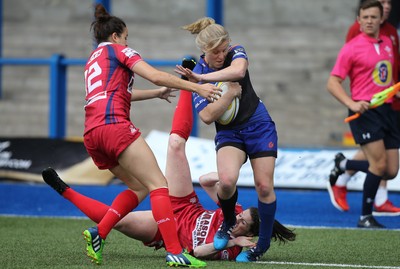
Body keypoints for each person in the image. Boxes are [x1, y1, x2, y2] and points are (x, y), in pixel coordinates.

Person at [42, 89, 295, 261]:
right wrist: (225, 179)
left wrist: (230, 242)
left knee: (117, 221)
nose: (236, 219)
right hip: (184, 204)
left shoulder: (235, 247)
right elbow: (207, 181)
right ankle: (186, 85)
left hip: (165, 232)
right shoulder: (232, 212)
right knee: (175, 143)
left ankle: (63, 189)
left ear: (249, 234)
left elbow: (195, 252)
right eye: (240, 215)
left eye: (241, 222)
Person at [61, 4, 221, 267]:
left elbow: (117, 94)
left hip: (92, 133)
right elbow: (157, 76)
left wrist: (155, 95)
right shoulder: (119, 50)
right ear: (115, 36)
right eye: (126, 37)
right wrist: (196, 88)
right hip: (114, 127)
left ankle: (98, 233)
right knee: (159, 185)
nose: (127, 41)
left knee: (138, 187)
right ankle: (175, 252)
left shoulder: (93, 60)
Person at [174, 17, 279, 262]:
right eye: (216, 52)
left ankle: (261, 245)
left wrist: (201, 81)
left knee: (264, 186)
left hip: (258, 125)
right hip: (229, 132)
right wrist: (226, 91)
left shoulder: (234, 53)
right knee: (227, 181)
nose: (222, 55)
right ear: (204, 51)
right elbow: (208, 116)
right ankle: (229, 219)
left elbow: (239, 71)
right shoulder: (197, 71)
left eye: (224, 49)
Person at [326, 0, 400, 228]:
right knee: (377, 165)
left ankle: (343, 163)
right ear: (359, 20)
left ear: (381, 19)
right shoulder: (351, 47)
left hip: (387, 110)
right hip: (365, 112)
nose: (369, 21)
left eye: (373, 17)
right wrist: (352, 102)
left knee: (390, 171)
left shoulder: (388, 41)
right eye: (365, 17)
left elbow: (384, 76)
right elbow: (333, 82)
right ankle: (365, 216)